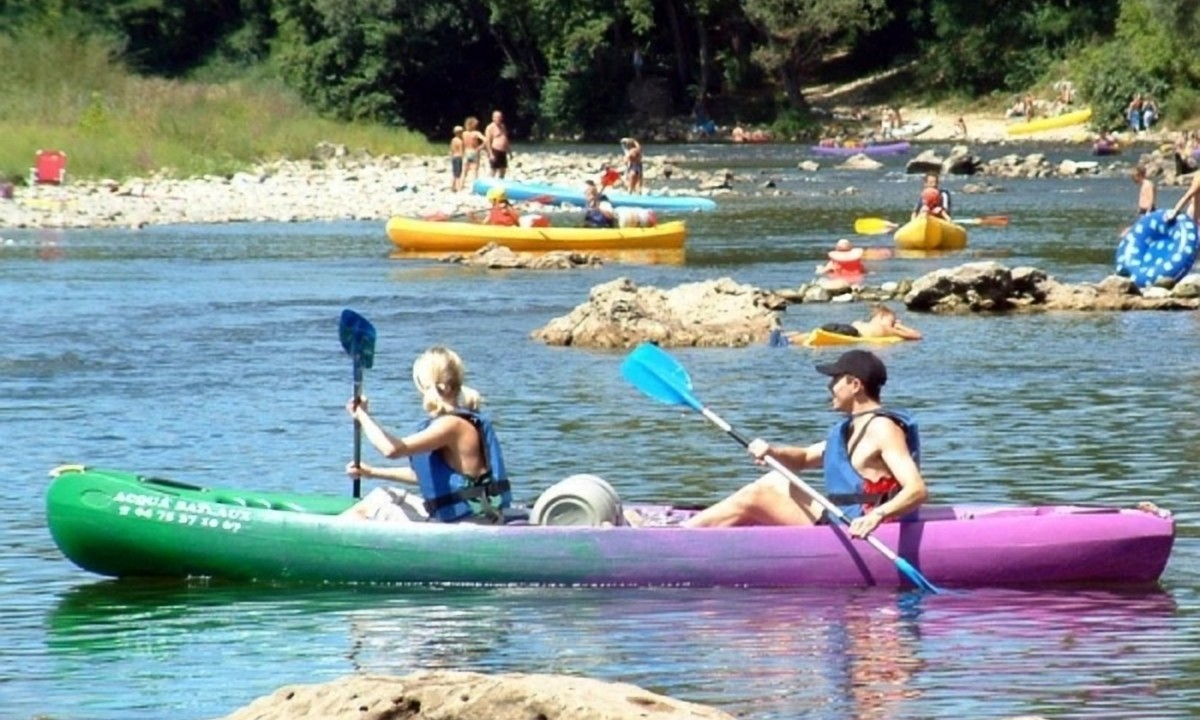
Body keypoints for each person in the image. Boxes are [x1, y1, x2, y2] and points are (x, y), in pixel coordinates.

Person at [681, 349, 927, 536]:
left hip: (864, 527)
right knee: (776, 479)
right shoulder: (850, 427)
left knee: (757, 495)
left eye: (835, 379)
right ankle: (700, 529)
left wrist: (877, 516)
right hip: (844, 519)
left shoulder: (883, 428)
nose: (829, 386)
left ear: (854, 385)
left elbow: (916, 490)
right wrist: (772, 451)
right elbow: (804, 458)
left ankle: (681, 535)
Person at [342, 346, 513, 524]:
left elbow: (391, 449)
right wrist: (372, 472)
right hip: (469, 518)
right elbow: (426, 477)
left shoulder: (452, 425)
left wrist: (362, 415)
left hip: (472, 524)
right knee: (381, 495)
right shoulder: (451, 422)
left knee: (365, 511)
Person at [780, 304, 922, 345]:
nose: (894, 322)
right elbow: (917, 336)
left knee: (812, 333)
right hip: (850, 331)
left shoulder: (867, 323)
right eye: (892, 319)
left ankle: (787, 337)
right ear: (883, 317)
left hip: (847, 328)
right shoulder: (887, 328)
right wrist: (899, 326)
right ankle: (788, 339)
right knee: (813, 334)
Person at [460, 116, 487, 188]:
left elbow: (462, 144)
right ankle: (475, 187)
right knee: (475, 171)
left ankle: (460, 186)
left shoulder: (464, 134)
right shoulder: (476, 133)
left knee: (464, 171)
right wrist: (480, 147)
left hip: (467, 151)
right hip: (474, 151)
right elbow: (486, 140)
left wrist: (462, 153)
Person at [484, 110, 511, 179]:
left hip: (503, 151)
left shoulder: (503, 127)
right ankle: (490, 183)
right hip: (495, 150)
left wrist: (510, 152)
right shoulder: (490, 127)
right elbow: (488, 141)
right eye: (497, 117)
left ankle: (501, 182)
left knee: (503, 169)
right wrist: (490, 154)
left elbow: (506, 139)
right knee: (493, 169)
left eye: (500, 117)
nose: (499, 119)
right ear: (493, 118)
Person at [448, 125, 465, 192]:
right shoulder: (460, 141)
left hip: (454, 157)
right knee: (458, 174)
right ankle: (458, 188)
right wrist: (463, 157)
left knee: (454, 173)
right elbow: (461, 151)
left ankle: (452, 187)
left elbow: (451, 149)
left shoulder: (453, 140)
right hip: (458, 157)